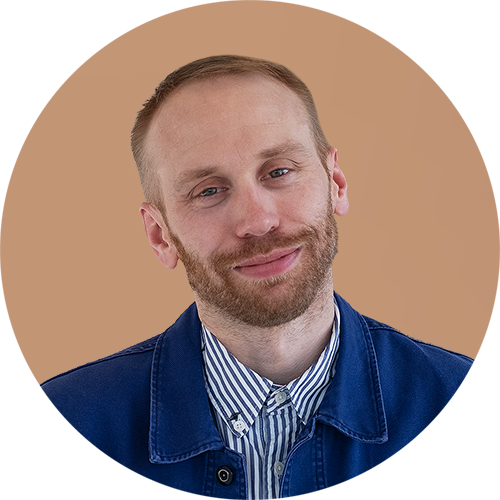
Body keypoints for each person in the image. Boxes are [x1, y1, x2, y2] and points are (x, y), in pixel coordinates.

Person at [42, 55, 473, 500]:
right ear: (160, 235)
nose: (258, 221)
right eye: (209, 190)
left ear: (336, 183)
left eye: (279, 171)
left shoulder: (465, 410)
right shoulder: (60, 429)